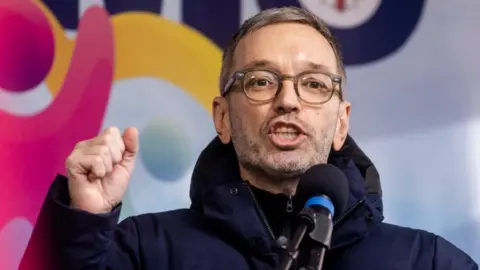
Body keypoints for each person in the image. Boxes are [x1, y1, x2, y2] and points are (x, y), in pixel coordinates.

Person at [21, 6, 477, 270]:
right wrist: (82, 224)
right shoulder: (145, 249)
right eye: (261, 81)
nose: (288, 101)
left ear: (341, 124)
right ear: (222, 117)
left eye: (315, 84)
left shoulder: (427, 262)